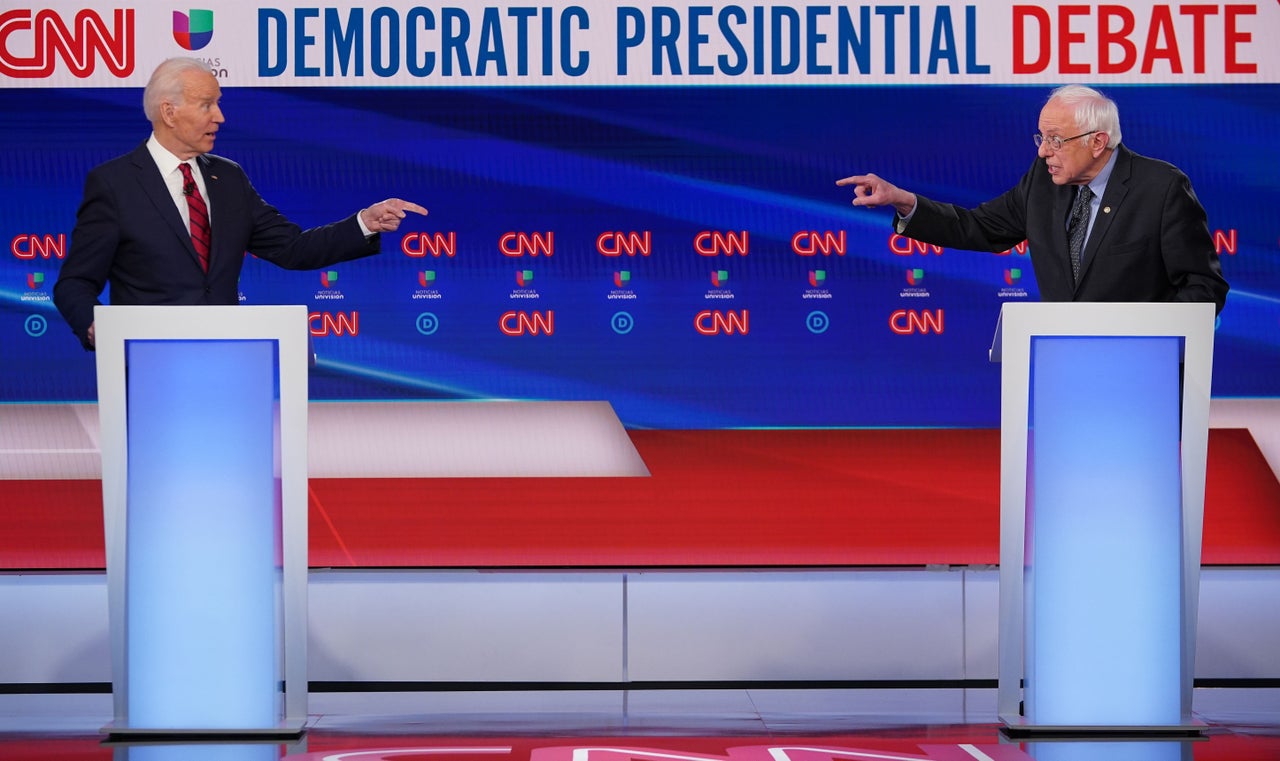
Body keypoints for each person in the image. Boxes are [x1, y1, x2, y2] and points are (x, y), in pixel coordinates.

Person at [53, 57, 428, 350]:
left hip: (226, 357)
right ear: (169, 112)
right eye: (207, 105)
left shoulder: (228, 178)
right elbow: (75, 282)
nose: (220, 117)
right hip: (149, 360)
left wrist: (365, 221)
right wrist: (96, 327)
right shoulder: (115, 183)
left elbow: (292, 248)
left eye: (217, 104)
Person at [836, 84, 1228, 314]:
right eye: (1041, 138)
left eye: (1056, 140)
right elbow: (980, 228)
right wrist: (904, 201)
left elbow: (1204, 285)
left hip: (1143, 373)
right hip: (1062, 367)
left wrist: (1152, 338)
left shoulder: (1160, 187)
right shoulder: (1044, 181)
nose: (1043, 152)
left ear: (1097, 142)